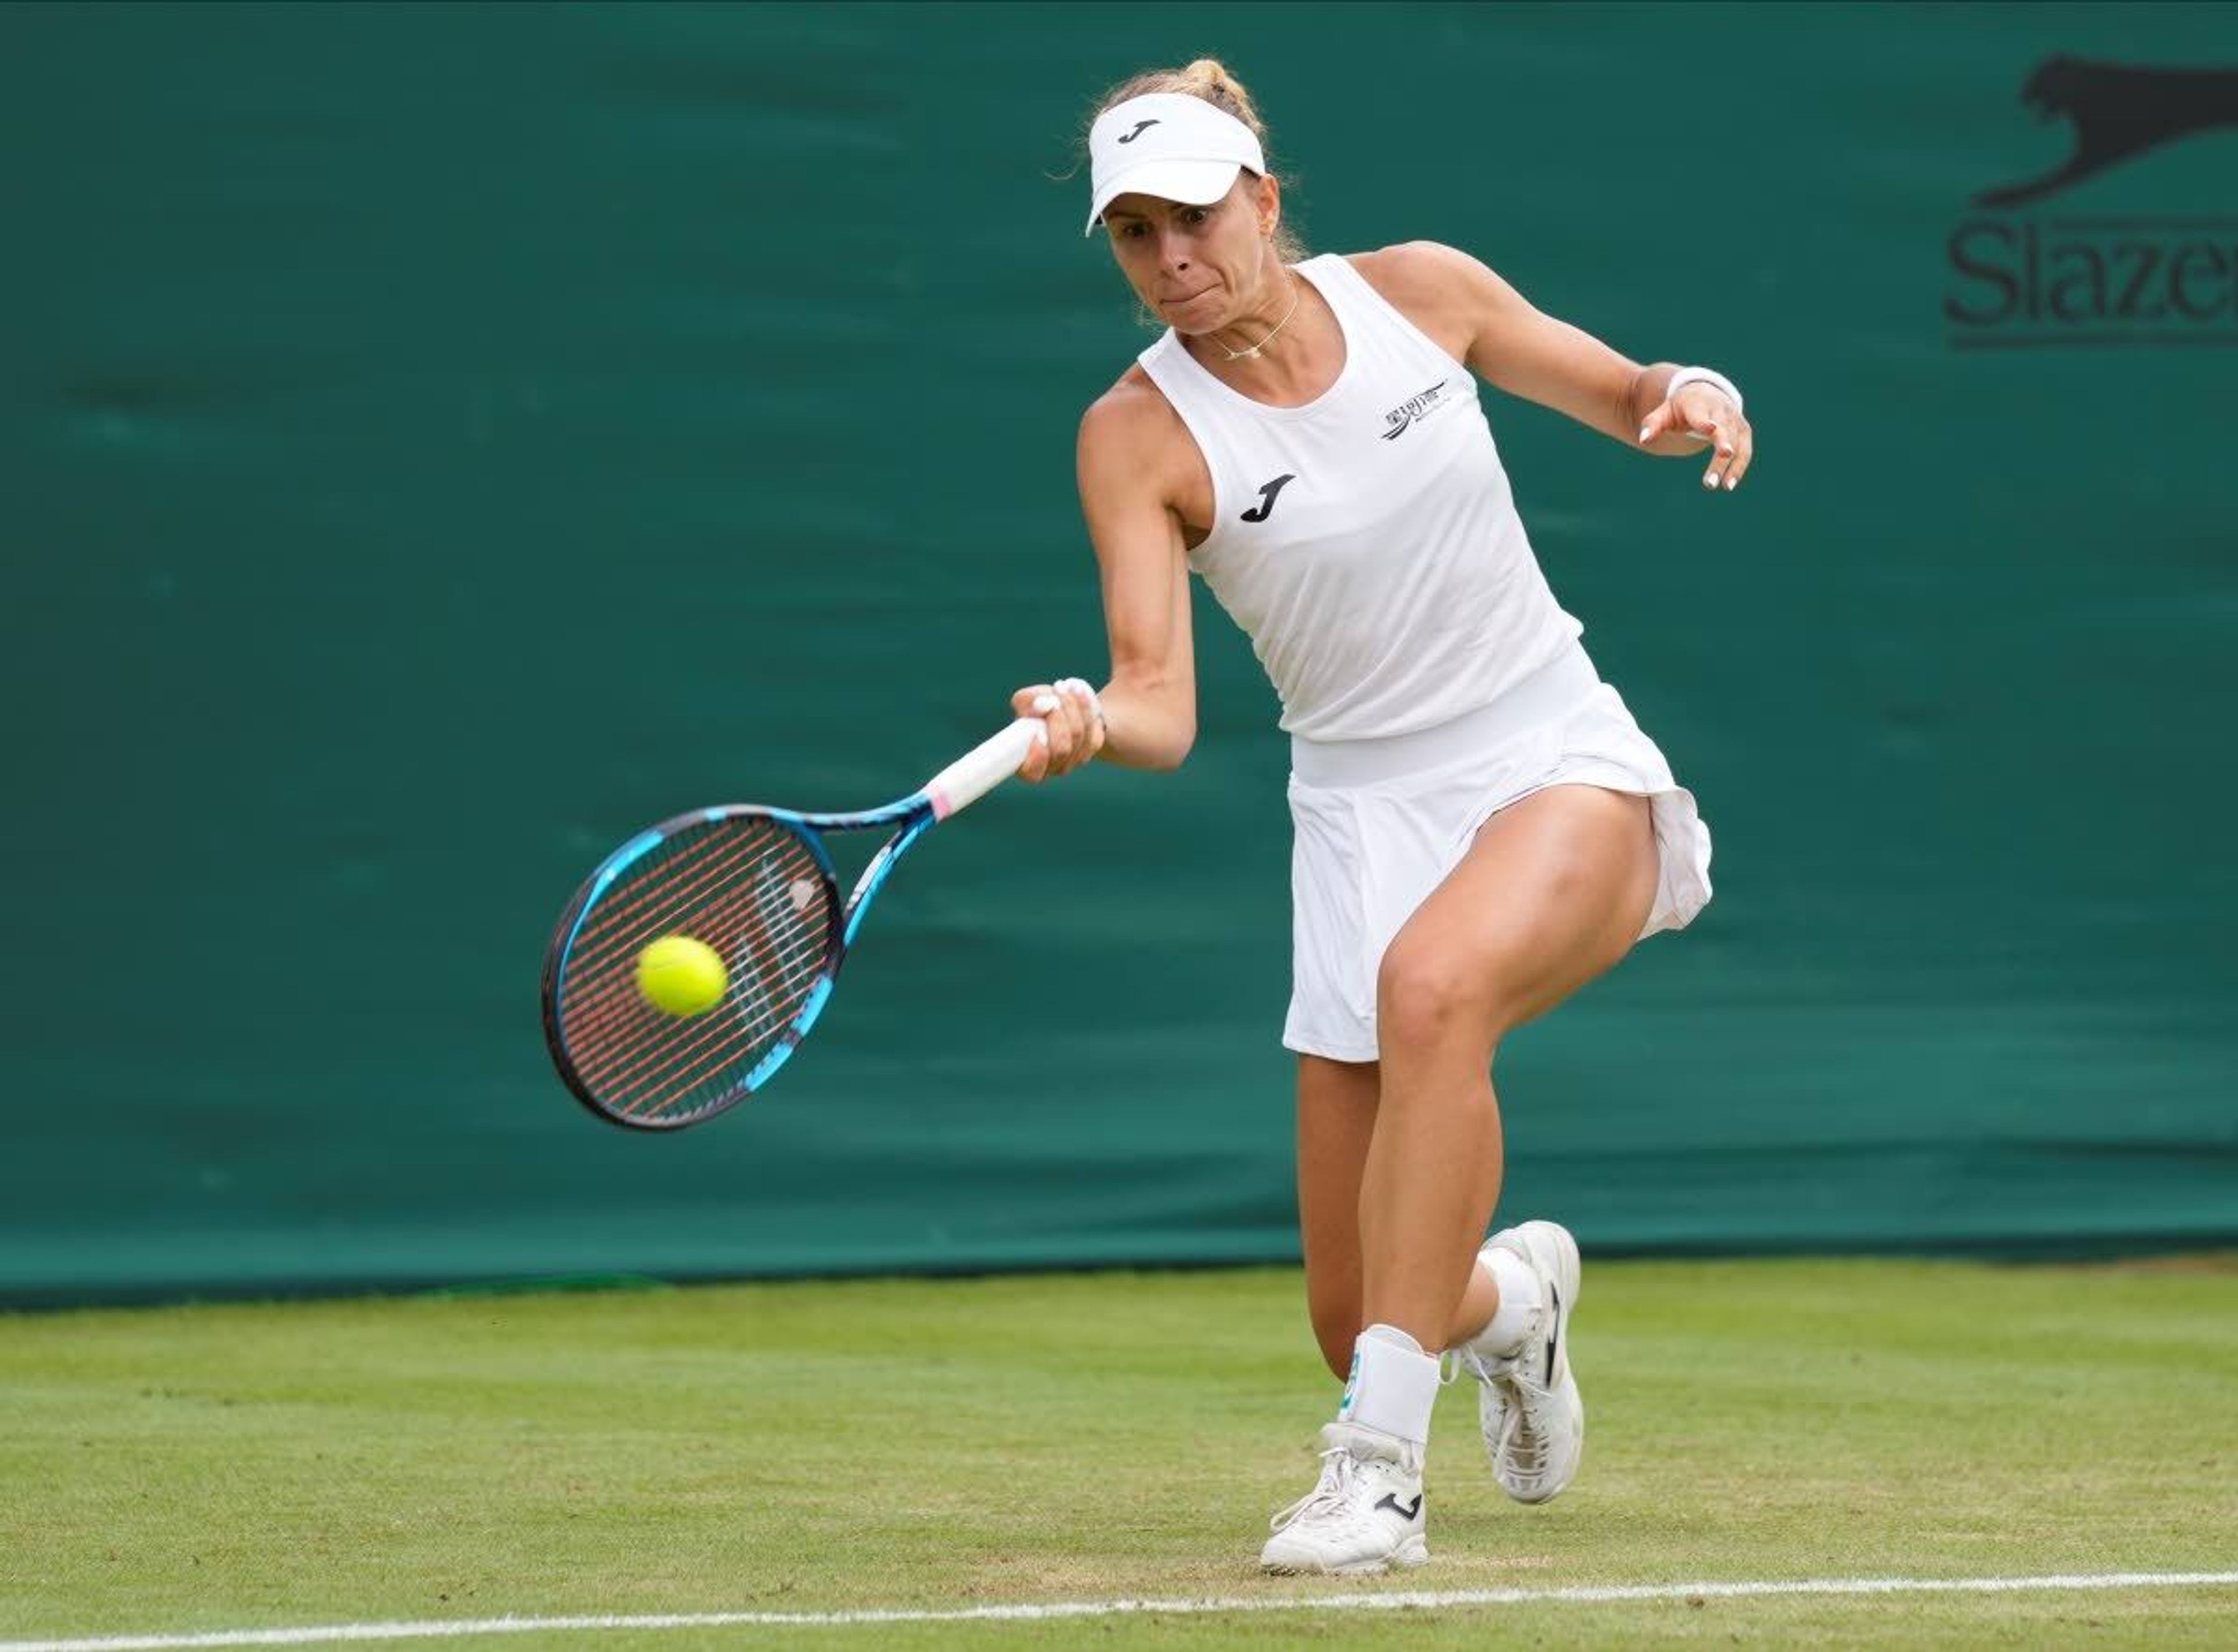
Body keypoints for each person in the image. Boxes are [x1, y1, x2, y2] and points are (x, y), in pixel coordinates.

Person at [1013, 58, 1747, 1576]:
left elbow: (1624, 396)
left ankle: (1376, 1481)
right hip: (1355, 813)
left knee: (1436, 989)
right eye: (1135, 235)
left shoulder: (1424, 292)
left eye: (1196, 219)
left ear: (1265, 200)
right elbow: (1162, 697)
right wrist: (1092, 717)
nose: (1173, 260)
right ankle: (1517, 1304)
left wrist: (1686, 395)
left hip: (1551, 751)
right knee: (1359, 1316)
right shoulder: (1136, 438)